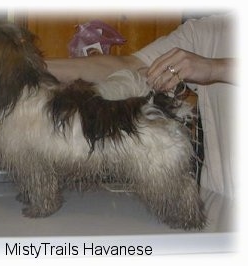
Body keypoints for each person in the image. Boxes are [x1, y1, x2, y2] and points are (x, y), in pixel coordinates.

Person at [46, 12, 236, 199]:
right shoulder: (209, 30)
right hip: (221, 201)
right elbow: (129, 65)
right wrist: (35, 67)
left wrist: (215, 68)